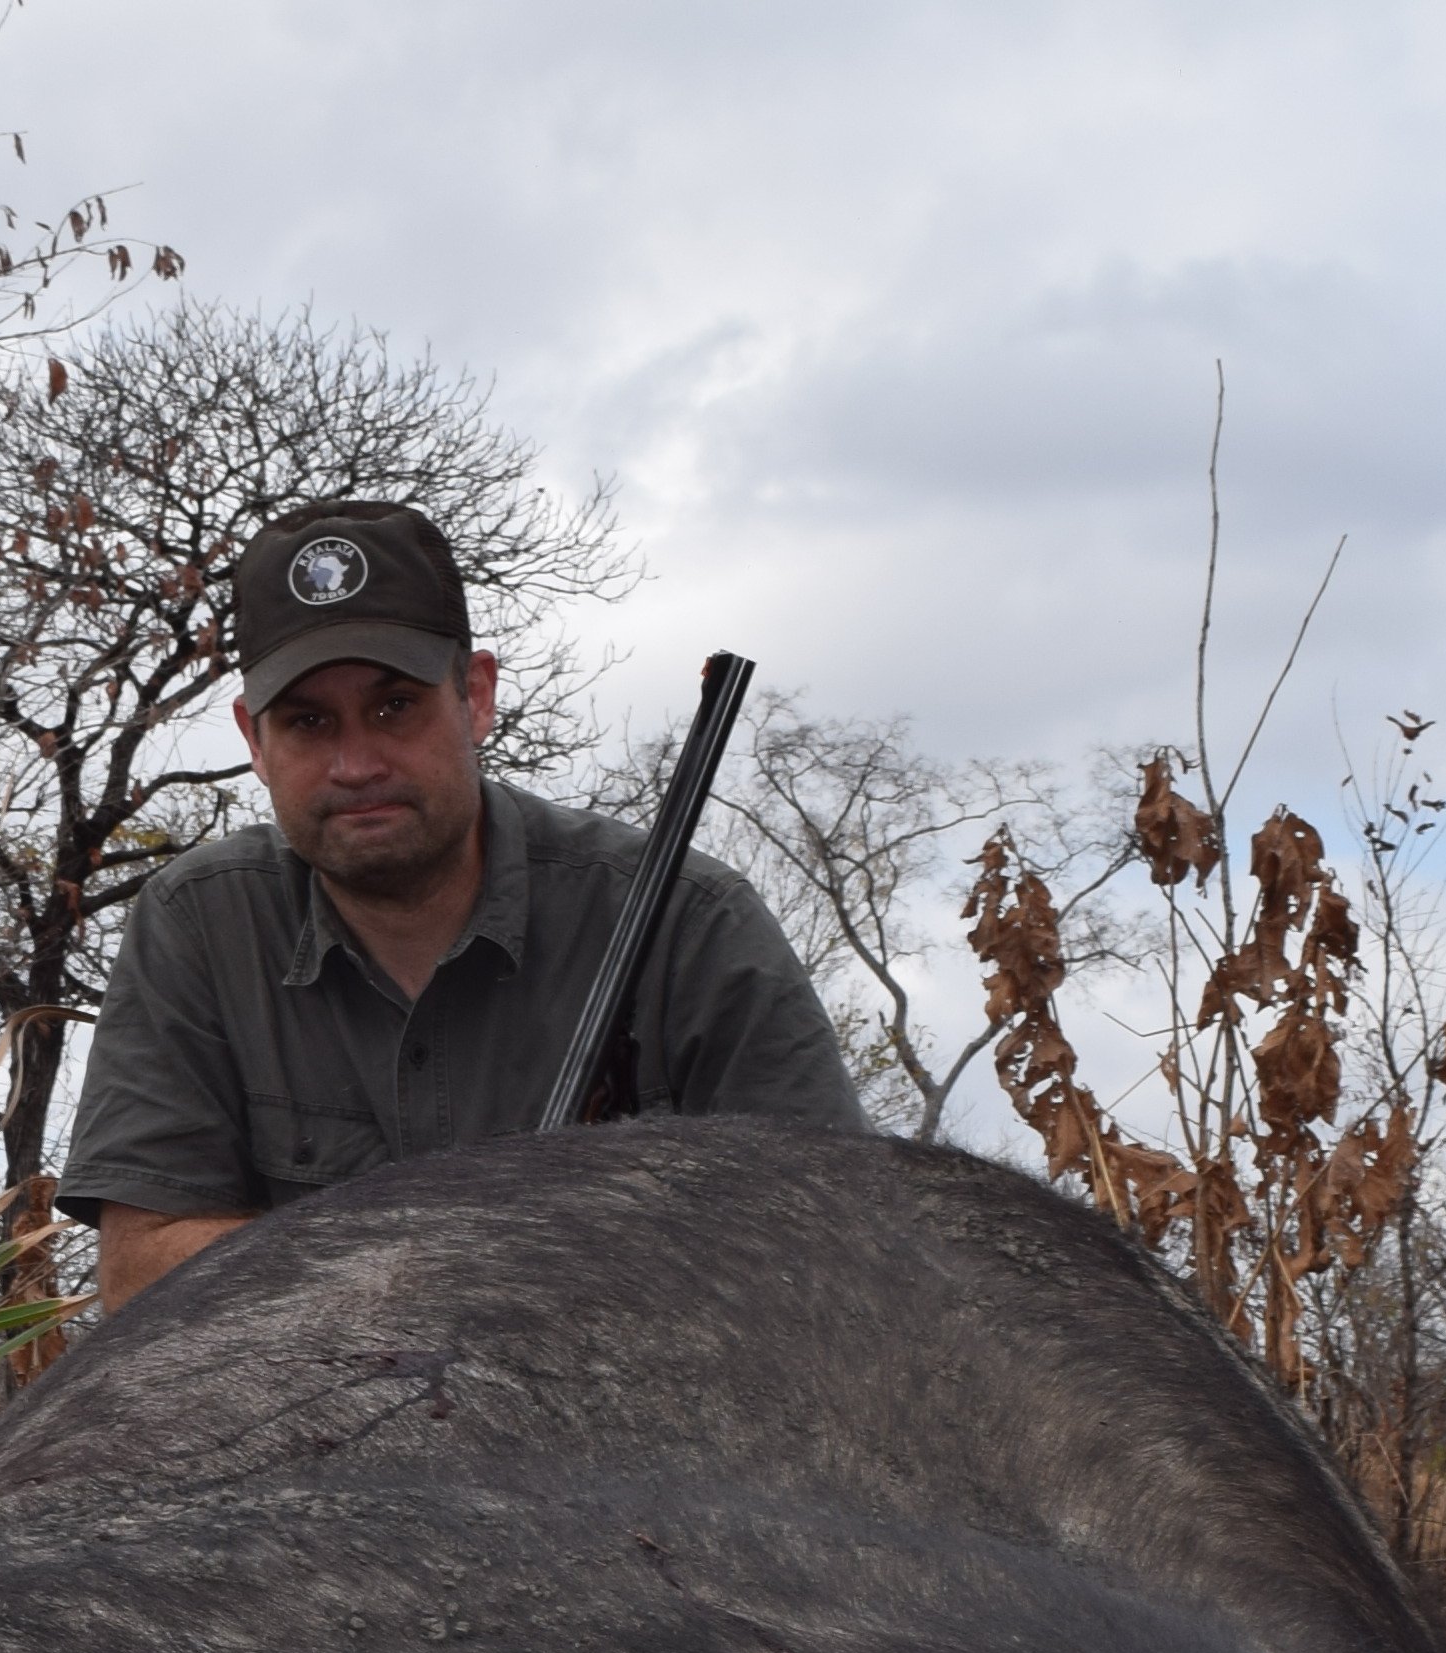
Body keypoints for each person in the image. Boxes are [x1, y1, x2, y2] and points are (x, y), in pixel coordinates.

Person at [60, 495, 869, 1307]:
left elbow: (833, 1245)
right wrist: (439, 1262)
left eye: (393, 707)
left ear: (476, 696)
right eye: (308, 721)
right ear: (253, 742)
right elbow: (141, 1273)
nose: (354, 762)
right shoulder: (198, 923)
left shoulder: (693, 922)